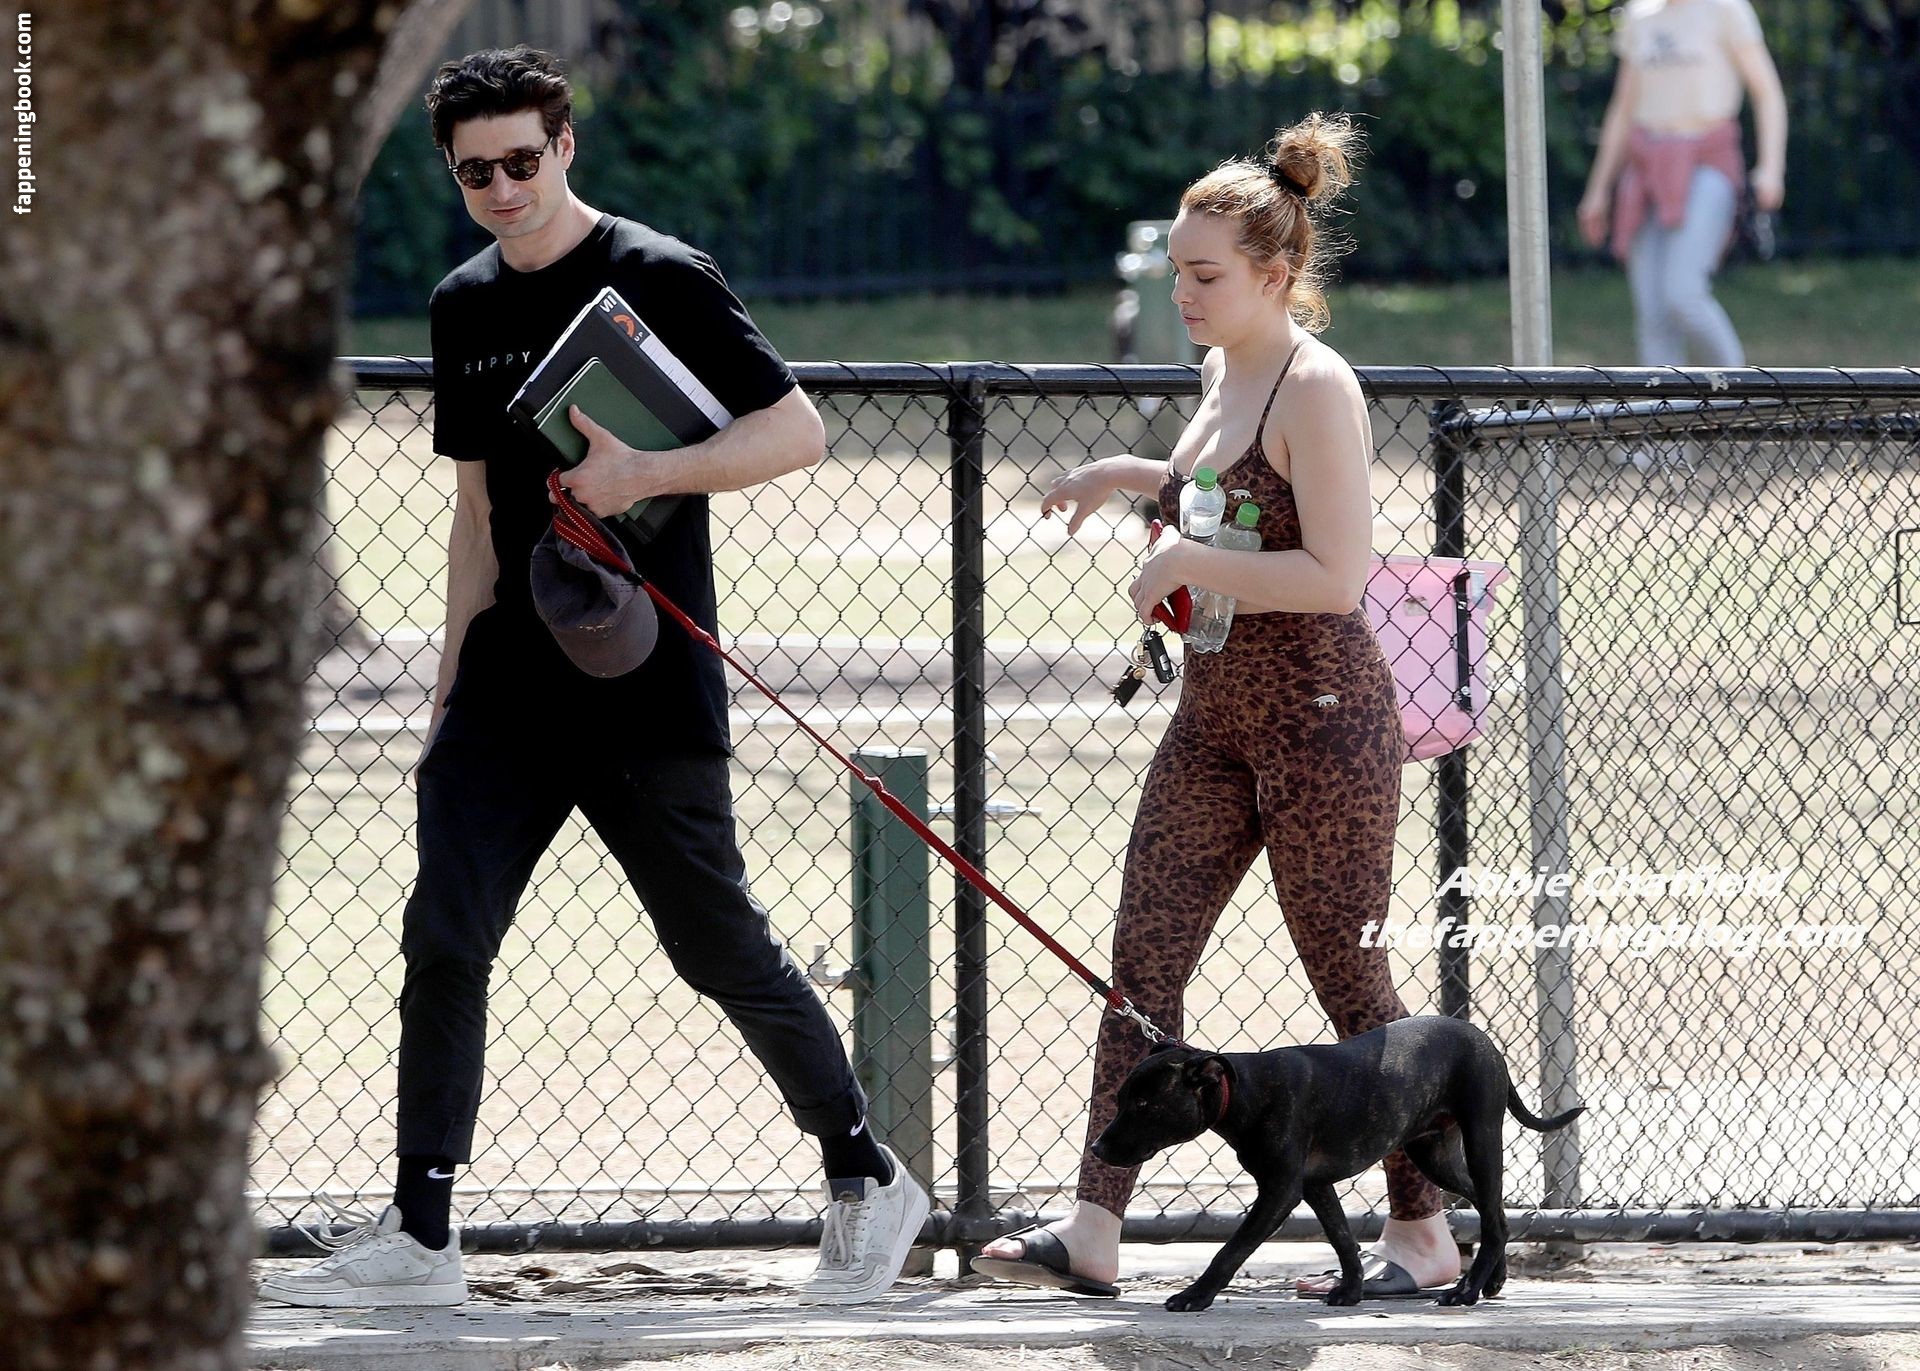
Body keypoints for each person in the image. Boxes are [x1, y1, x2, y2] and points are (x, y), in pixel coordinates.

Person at [260, 46, 927, 1309]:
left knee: (714, 944)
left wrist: (645, 477)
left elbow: (798, 431)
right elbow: (476, 513)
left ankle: (864, 1171)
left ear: (566, 146)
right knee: (444, 934)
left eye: (523, 160)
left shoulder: (659, 273)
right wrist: (448, 687)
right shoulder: (462, 303)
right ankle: (422, 1232)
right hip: (507, 683)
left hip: (643, 677)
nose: (503, 189)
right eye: (475, 173)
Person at [971, 113, 1458, 1301]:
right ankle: (1094, 1227)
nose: (1182, 296)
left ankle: (1425, 1231)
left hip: (1323, 720)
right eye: (1176, 274)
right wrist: (1131, 479)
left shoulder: (1316, 386)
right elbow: (1227, 503)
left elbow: (1335, 572)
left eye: (1205, 276)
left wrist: (1185, 564)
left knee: (1351, 986)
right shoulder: (1220, 368)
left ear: (1276, 275)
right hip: (1215, 717)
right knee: (1141, 969)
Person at [1578, 0, 1788, 368]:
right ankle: (1663, 405)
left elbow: (1767, 92)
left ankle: (1738, 390)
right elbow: (1623, 109)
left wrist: (1771, 168)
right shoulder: (1639, 16)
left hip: (1706, 162)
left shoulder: (1726, 9)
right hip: (1646, 170)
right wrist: (1598, 190)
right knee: (1653, 314)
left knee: (1684, 295)